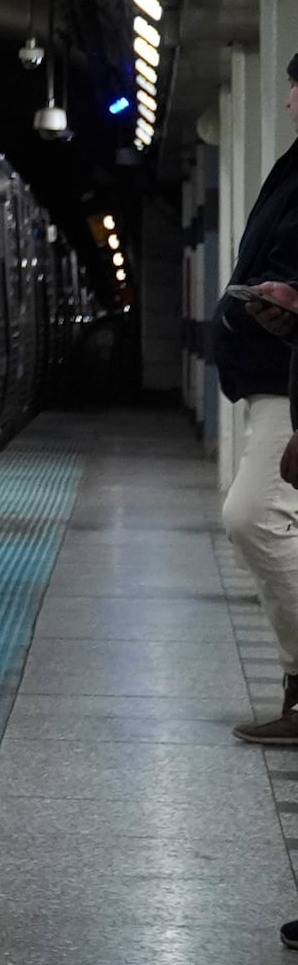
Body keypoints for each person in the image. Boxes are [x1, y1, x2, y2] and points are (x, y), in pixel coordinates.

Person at [216, 52, 298, 753]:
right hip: (276, 370)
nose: (291, 101)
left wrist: (286, 298)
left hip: (288, 375)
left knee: (253, 516)